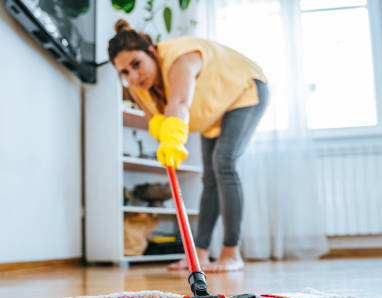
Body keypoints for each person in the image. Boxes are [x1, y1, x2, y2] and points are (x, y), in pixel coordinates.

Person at [108, 19, 269, 272]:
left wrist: (173, 140)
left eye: (136, 64)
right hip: (213, 110)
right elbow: (155, 119)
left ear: (152, 51)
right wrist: (164, 135)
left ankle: (231, 253)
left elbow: (180, 102)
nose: (133, 76)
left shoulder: (179, 58)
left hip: (243, 90)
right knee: (209, 178)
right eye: (124, 72)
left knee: (224, 163)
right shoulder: (138, 88)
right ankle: (200, 255)